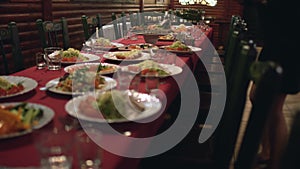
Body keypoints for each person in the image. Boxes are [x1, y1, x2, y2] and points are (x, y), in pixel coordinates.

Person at [242, 0, 300, 169]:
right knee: (257, 97)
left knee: (274, 108)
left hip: (287, 49)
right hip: (274, 46)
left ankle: (275, 162)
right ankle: (267, 151)